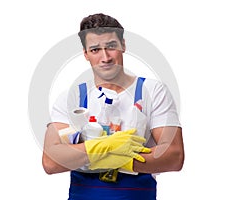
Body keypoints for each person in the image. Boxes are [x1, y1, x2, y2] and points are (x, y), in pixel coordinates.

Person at [42, 13, 184, 200]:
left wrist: (88, 155)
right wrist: (105, 148)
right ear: (85, 54)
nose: (105, 57)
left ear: (123, 45)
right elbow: (51, 162)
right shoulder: (72, 98)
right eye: (95, 50)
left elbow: (174, 156)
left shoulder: (152, 91)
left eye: (111, 47)